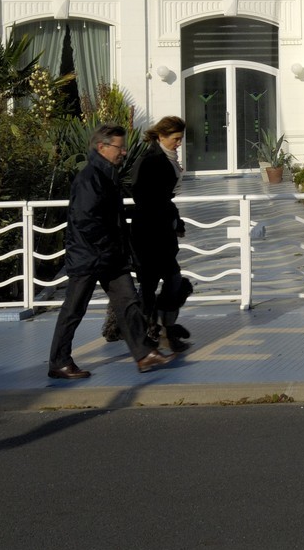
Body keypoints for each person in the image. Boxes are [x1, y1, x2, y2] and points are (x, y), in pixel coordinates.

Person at [47, 125, 174, 379]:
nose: (124, 152)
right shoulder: (90, 177)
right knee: (74, 309)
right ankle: (59, 362)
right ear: (102, 147)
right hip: (89, 255)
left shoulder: (106, 174)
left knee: (128, 302)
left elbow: (108, 217)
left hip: (109, 256)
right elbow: (86, 220)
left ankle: (144, 353)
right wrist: (109, 246)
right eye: (120, 147)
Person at [130, 116, 194, 353]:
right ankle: (149, 334)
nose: (179, 143)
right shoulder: (151, 161)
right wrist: (170, 219)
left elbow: (164, 199)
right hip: (149, 234)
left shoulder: (165, 159)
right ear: (161, 136)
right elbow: (146, 198)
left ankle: (161, 329)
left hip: (160, 231)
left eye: (180, 139)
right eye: (176, 139)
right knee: (150, 285)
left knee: (169, 281)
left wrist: (175, 220)